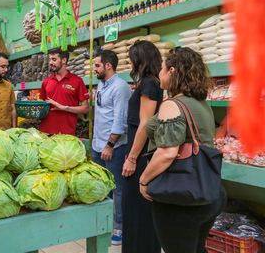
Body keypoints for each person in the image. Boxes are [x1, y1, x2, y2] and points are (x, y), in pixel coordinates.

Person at [139, 47, 227, 253]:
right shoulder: (200, 102)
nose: (158, 74)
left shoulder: (173, 105)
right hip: (208, 192)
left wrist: (144, 180)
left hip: (180, 198)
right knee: (196, 248)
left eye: (161, 69)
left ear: (171, 71)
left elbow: (168, 152)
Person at [121, 40, 163, 253]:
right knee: (142, 209)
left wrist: (131, 158)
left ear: (140, 60)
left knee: (135, 207)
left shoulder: (148, 84)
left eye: (132, 57)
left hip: (141, 154)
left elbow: (145, 123)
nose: (129, 62)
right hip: (144, 151)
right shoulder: (153, 83)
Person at [91, 50, 132, 246]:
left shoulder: (121, 88)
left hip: (113, 148)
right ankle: (105, 224)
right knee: (101, 186)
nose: (94, 69)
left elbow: (120, 121)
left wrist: (109, 145)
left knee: (118, 189)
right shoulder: (101, 85)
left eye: (97, 65)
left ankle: (120, 227)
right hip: (98, 146)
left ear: (108, 65)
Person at [39, 48, 89, 135]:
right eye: (50, 59)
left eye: (54, 59)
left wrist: (65, 108)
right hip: (45, 132)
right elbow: (42, 106)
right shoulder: (46, 82)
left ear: (64, 60)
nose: (50, 63)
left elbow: (85, 109)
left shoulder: (77, 81)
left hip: (66, 134)